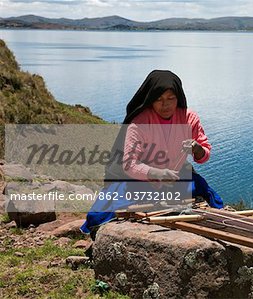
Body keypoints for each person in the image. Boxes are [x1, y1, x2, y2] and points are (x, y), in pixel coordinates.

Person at [80, 70, 223, 236]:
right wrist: (157, 173)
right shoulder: (140, 122)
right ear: (150, 99)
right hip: (139, 179)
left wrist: (197, 149)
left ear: (179, 97)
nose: (166, 105)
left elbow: (204, 154)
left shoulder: (189, 118)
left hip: (175, 176)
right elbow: (130, 164)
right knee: (100, 213)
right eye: (159, 99)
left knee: (210, 195)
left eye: (171, 98)